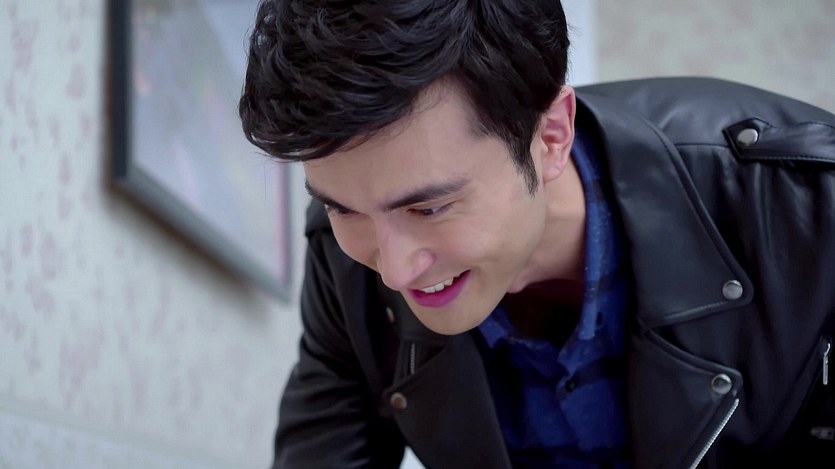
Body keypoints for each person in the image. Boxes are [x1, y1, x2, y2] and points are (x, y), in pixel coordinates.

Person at [238, 0, 835, 467]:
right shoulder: (344, 263)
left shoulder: (807, 204)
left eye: (429, 208)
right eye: (343, 210)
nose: (392, 270)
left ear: (551, 137)